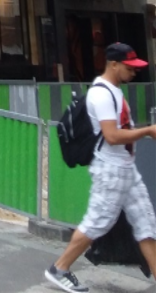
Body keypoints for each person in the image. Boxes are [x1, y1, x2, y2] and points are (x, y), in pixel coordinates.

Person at [45, 42, 156, 293]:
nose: (134, 72)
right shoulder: (102, 94)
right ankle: (59, 268)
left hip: (125, 169)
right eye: (129, 67)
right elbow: (113, 136)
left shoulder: (114, 90)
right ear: (114, 65)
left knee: (146, 222)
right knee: (97, 223)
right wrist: (148, 131)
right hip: (110, 170)